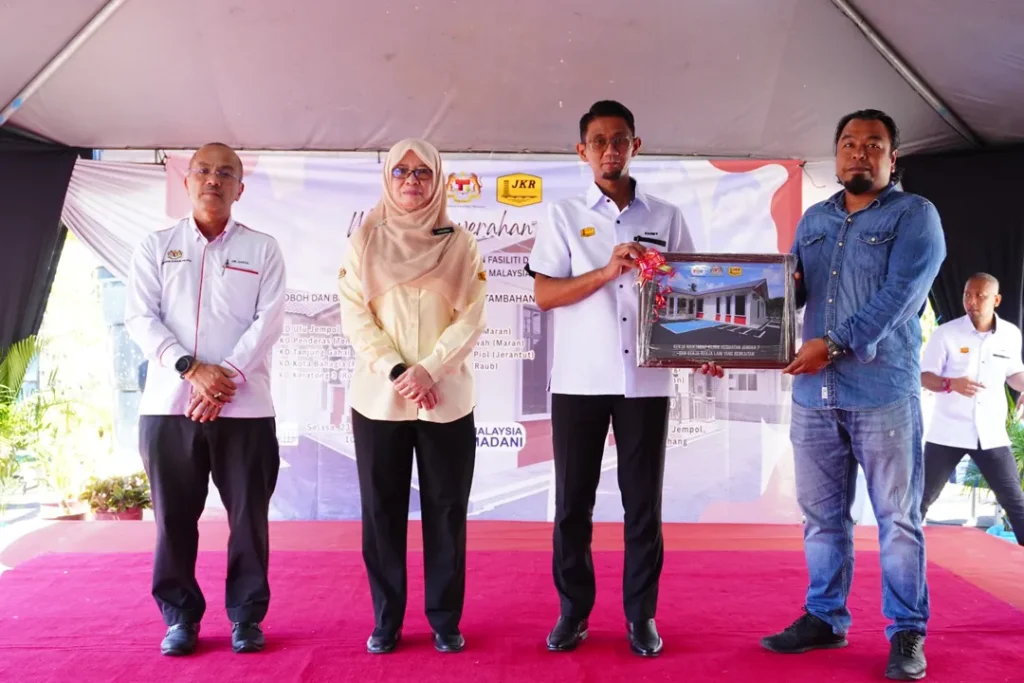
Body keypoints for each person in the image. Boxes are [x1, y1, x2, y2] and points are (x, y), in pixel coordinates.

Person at [528, 100, 721, 658]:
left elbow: (689, 294)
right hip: (579, 381)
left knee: (643, 507)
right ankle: (573, 613)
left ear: (635, 146)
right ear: (582, 151)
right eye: (598, 141)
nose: (609, 150)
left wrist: (704, 349)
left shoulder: (666, 217)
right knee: (573, 506)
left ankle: (641, 616)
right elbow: (545, 295)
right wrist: (606, 270)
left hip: (646, 382)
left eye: (619, 140)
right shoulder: (563, 215)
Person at [759, 110, 945, 681]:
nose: (858, 153)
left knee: (897, 520)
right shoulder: (814, 219)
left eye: (873, 144)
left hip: (881, 392)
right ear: (836, 154)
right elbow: (788, 296)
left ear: (893, 157)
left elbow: (900, 297)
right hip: (814, 396)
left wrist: (835, 344)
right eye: (848, 143)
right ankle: (824, 617)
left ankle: (907, 630)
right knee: (821, 519)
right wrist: (737, 331)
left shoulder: (915, 215)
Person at [124, 142, 287, 656]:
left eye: (225, 173)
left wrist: (224, 380)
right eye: (203, 171)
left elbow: (268, 321)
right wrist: (191, 370)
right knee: (173, 519)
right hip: (169, 407)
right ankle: (180, 619)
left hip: (246, 408)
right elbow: (140, 318)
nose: (213, 180)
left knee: (248, 520)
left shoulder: (263, 249)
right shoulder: (155, 246)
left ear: (240, 188)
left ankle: (246, 617)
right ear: (187, 180)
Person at [337, 138, 487, 655]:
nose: (411, 181)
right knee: (382, 511)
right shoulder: (365, 242)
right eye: (401, 172)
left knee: (447, 511)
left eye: (423, 172)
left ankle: (445, 618)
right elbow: (355, 316)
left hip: (446, 397)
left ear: (438, 180)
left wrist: (429, 370)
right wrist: (399, 370)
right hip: (379, 399)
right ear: (387, 178)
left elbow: (472, 317)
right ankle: (387, 619)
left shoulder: (461, 243)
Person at [919, 273, 1024, 544]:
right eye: (967, 294)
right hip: (947, 432)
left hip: (991, 434)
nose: (972, 301)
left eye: (980, 296)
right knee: (920, 499)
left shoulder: (1010, 334)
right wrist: (950, 383)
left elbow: (1013, 374)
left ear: (996, 300)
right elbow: (924, 376)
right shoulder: (946, 333)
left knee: (1015, 502)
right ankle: (898, 554)